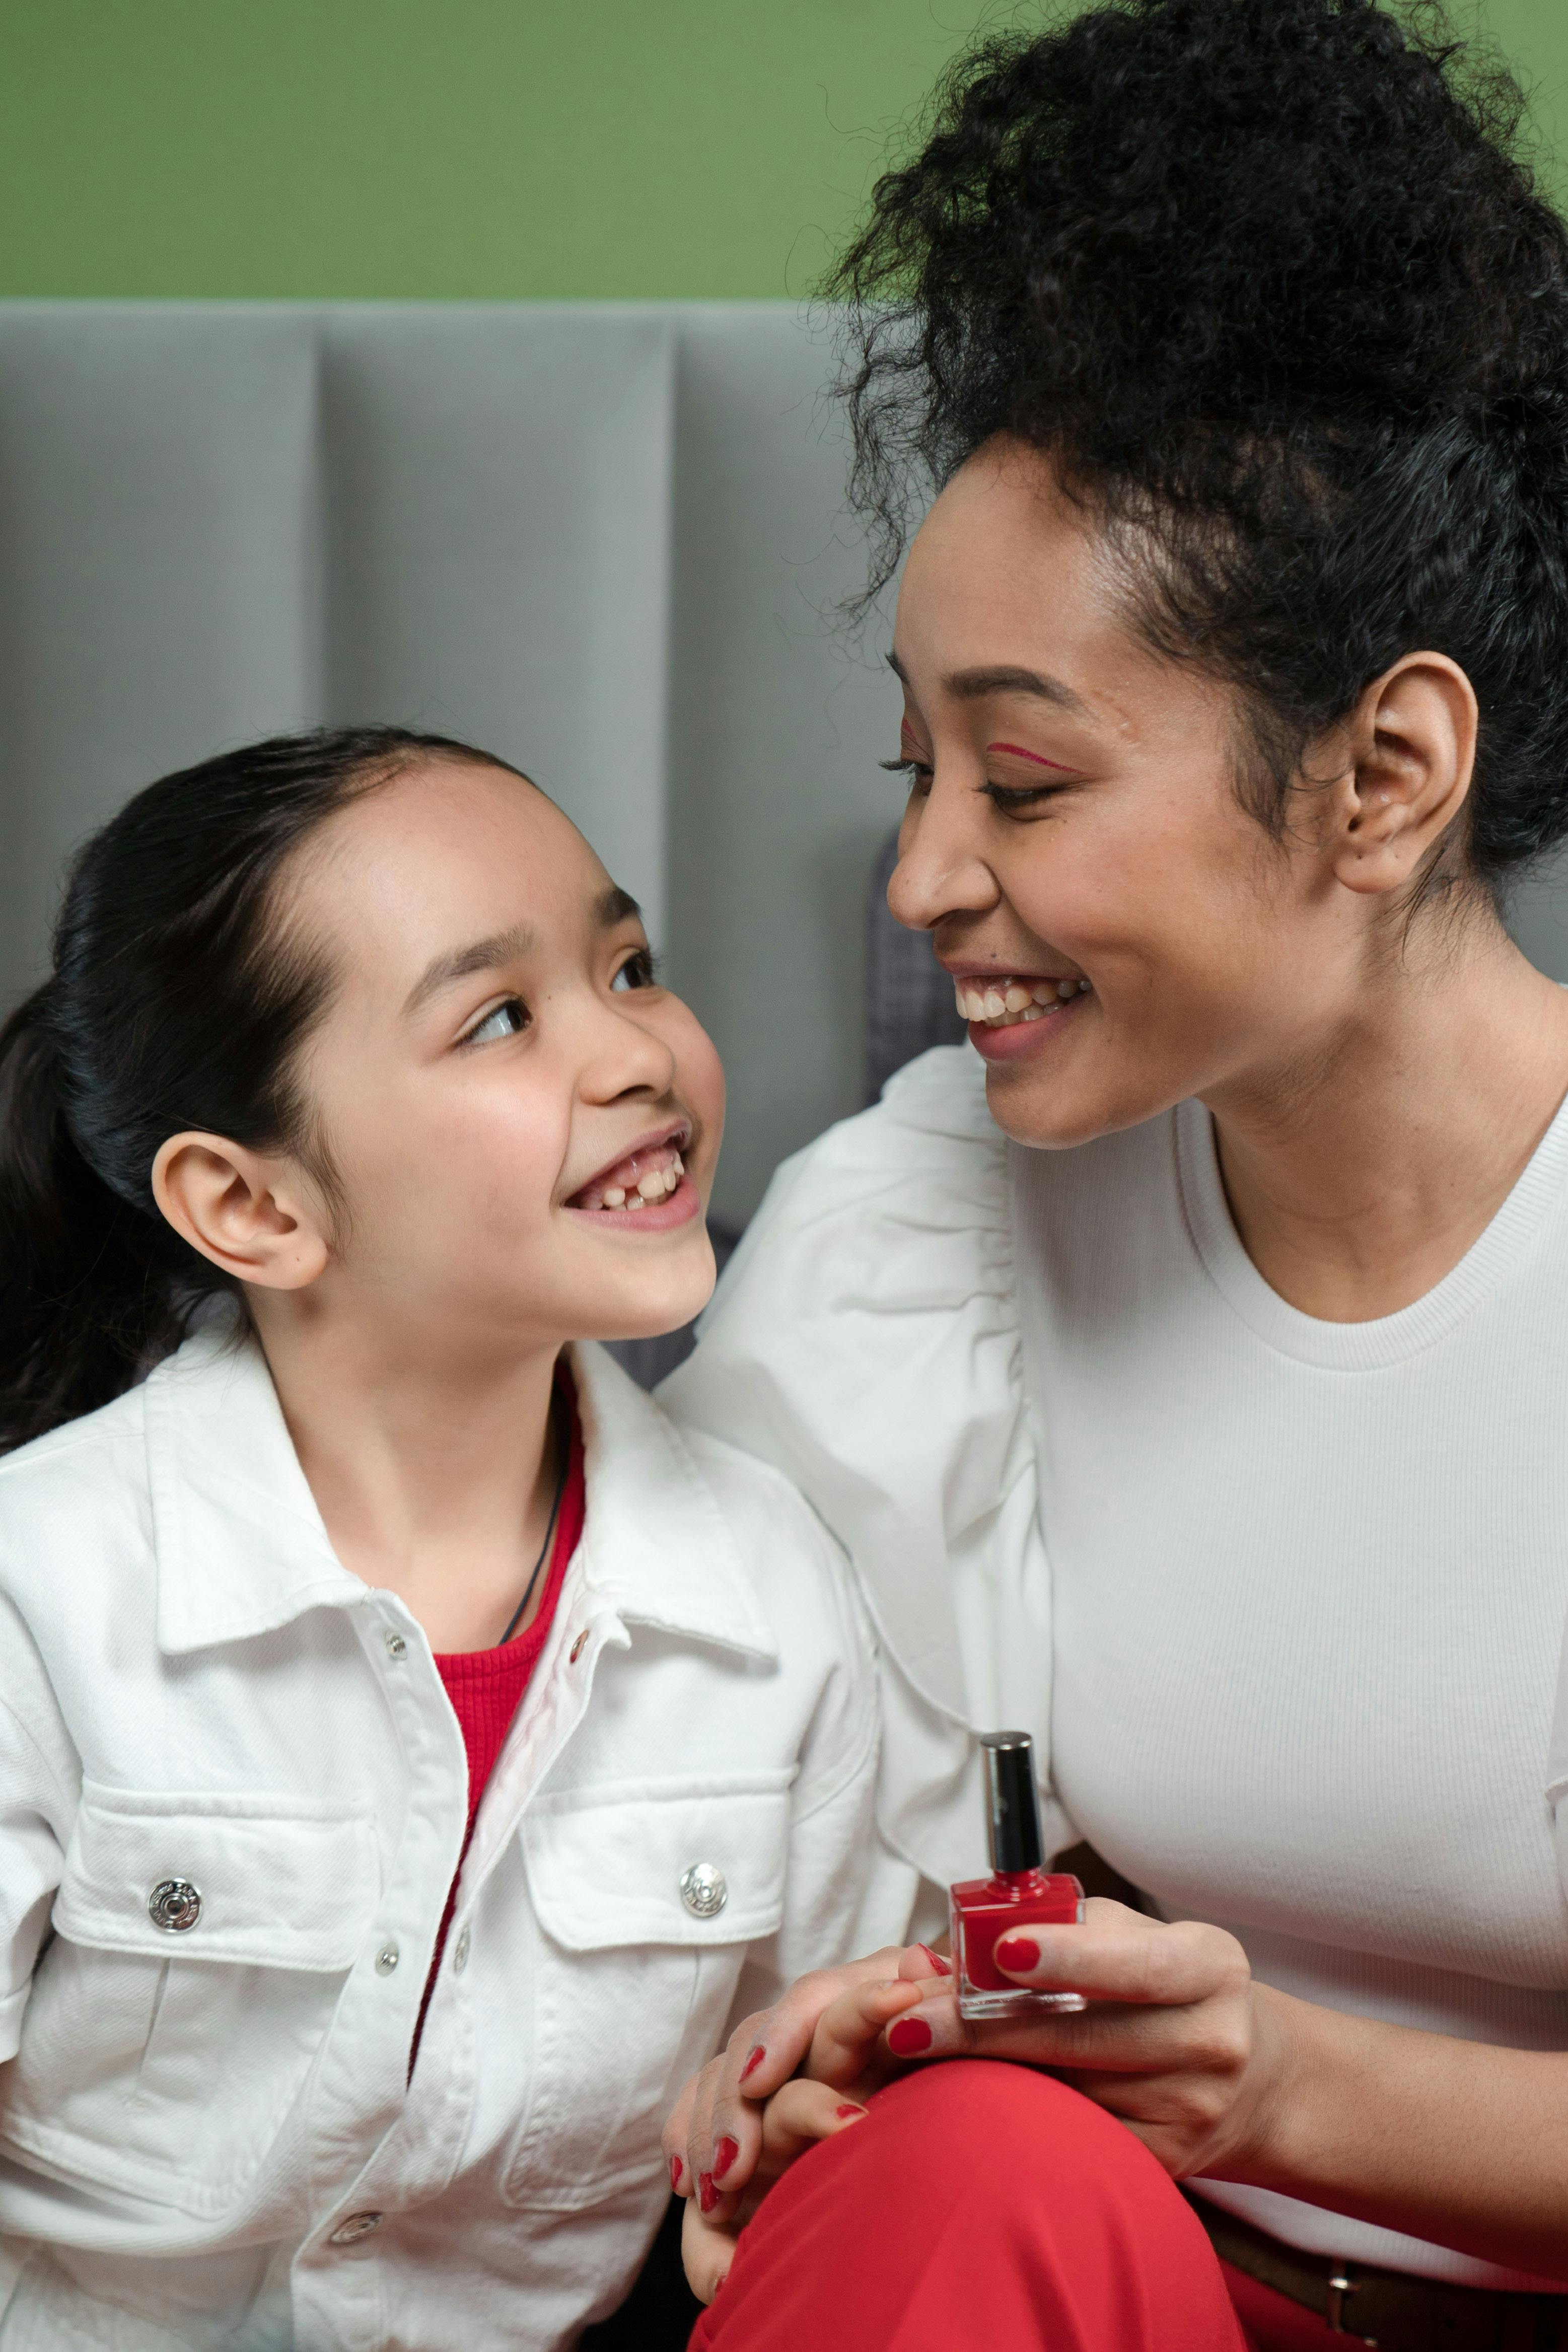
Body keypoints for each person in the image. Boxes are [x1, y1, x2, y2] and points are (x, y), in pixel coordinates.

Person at [659, 0, 1568, 2343]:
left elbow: (1246, 2087)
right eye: (910, 769)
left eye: (1025, 784)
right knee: (959, 2171)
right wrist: (829, 2065)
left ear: (1379, 776)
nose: (920, 880)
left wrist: (1276, 2083)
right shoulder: (935, 1222)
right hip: (1185, 2290)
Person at [0, 725, 898, 2350]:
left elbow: (804, 2126)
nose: (635, 1052)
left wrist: (769, 2171)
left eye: (628, 966)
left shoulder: (778, 1591)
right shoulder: (39, 1592)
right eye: (500, 1016)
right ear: (254, 1207)